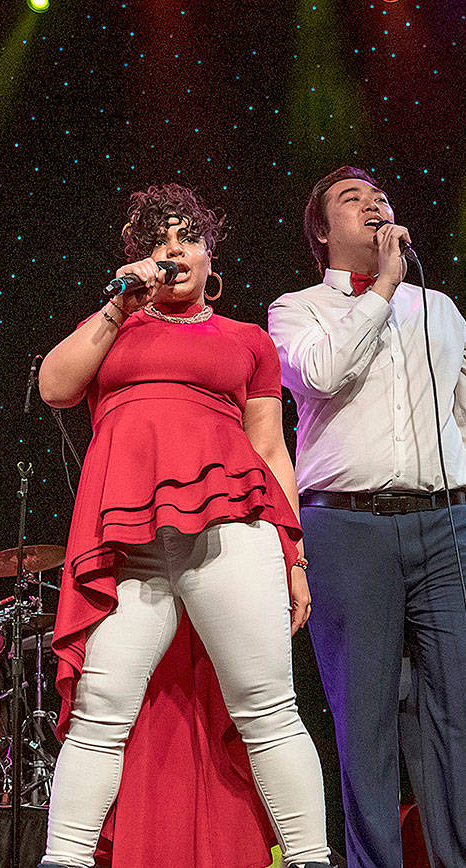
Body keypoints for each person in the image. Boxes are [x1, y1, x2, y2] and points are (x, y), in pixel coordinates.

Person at [36, 183, 330, 868]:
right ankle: (66, 859)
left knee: (266, 706)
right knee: (100, 713)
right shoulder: (112, 325)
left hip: (232, 529)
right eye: (158, 242)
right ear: (140, 259)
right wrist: (117, 306)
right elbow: (55, 386)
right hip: (129, 542)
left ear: (209, 253)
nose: (174, 252)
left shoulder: (248, 341)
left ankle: (312, 857)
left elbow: (270, 449)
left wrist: (294, 555)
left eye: (187, 238)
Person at [268, 166, 466, 868]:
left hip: (446, 525)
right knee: (367, 721)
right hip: (347, 529)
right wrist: (381, 289)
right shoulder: (294, 310)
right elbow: (321, 375)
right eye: (353, 201)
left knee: (455, 715)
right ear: (322, 232)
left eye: (379, 196)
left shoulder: (439, 308)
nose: (374, 205)